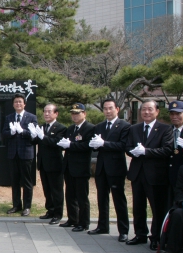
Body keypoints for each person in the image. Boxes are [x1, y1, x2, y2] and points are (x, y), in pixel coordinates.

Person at [125, 99, 173, 250]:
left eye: (150, 109)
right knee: (138, 206)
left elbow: (167, 150)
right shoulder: (135, 128)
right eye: (143, 109)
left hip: (156, 175)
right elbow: (128, 146)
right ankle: (140, 234)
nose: (146, 112)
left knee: (157, 208)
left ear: (157, 111)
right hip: (138, 173)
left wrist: (146, 152)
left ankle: (156, 237)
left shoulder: (165, 129)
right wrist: (132, 151)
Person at [88, 99, 130, 242]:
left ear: (117, 109)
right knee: (101, 198)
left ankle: (123, 230)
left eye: (110, 108)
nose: (107, 111)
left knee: (119, 199)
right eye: (105, 109)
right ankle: (102, 225)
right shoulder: (99, 126)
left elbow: (123, 145)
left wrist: (104, 143)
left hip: (116, 167)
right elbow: (95, 145)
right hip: (101, 167)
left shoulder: (124, 126)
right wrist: (94, 145)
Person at [57, 103, 95, 232]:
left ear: (84, 113)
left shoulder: (89, 128)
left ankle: (84, 222)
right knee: (70, 195)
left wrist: (71, 145)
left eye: (77, 113)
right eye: (73, 113)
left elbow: (87, 146)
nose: (74, 115)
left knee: (82, 197)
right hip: (69, 166)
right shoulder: (71, 128)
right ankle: (72, 219)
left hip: (81, 167)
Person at [29, 104, 66, 225]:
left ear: (56, 113)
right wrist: (33, 135)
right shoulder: (42, 127)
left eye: (49, 111)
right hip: (43, 163)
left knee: (56, 190)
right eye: (45, 111)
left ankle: (58, 213)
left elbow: (57, 143)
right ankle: (50, 210)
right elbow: (35, 141)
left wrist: (43, 137)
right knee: (47, 189)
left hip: (55, 164)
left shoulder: (61, 128)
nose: (46, 114)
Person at [1, 93, 38, 216]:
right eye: (16, 102)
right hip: (13, 154)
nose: (18, 104)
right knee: (15, 181)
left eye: (20, 102)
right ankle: (16, 205)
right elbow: (4, 133)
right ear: (13, 104)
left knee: (27, 181)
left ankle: (27, 206)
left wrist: (23, 132)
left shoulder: (31, 117)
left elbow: (34, 135)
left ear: (24, 104)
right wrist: (11, 132)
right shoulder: (9, 117)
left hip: (26, 154)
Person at [167, 101, 183, 208]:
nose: (174, 117)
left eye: (178, 114)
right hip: (167, 176)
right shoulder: (166, 130)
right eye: (172, 114)